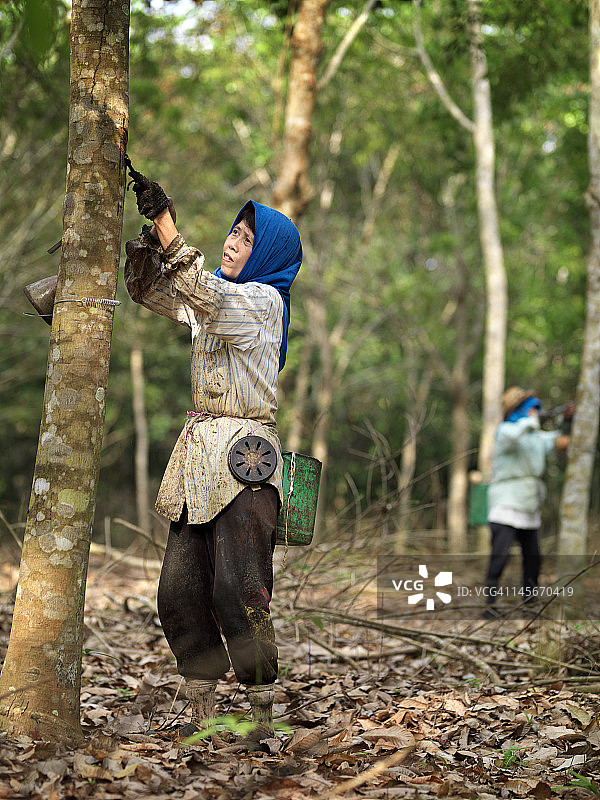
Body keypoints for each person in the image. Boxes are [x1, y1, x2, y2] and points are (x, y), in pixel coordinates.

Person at [124, 173, 302, 740]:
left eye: (245, 240)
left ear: (266, 255)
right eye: (232, 231)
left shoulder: (262, 303)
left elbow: (205, 295)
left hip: (244, 462)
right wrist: (150, 241)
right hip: (198, 458)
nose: (230, 242)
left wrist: (168, 224)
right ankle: (200, 709)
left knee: (238, 589)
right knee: (177, 592)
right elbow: (158, 293)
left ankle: (261, 712)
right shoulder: (218, 298)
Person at [483, 386, 572, 615]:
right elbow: (512, 436)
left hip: (529, 505)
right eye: (531, 410)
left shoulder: (536, 438)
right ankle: (489, 606)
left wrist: (567, 419)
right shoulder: (506, 431)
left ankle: (530, 605)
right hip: (505, 502)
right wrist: (531, 421)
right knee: (499, 558)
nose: (534, 414)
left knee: (533, 559)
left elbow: (558, 441)